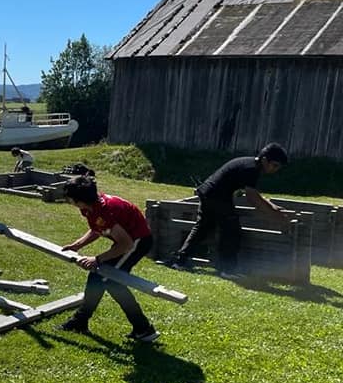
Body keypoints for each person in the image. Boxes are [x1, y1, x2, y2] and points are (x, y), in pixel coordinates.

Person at [58, 174, 160, 342]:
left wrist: (97, 259)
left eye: (70, 198)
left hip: (137, 242)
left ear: (79, 199)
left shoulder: (107, 210)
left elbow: (126, 244)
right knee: (98, 276)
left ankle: (144, 329)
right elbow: (97, 229)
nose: (69, 201)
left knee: (112, 280)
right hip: (127, 240)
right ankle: (80, 321)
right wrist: (77, 245)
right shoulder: (90, 207)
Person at [167, 142, 290, 276]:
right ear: (265, 160)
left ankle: (179, 261)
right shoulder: (252, 169)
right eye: (274, 165)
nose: (275, 169)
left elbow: (253, 194)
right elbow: (252, 198)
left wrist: (273, 208)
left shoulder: (249, 164)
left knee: (203, 228)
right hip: (218, 196)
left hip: (208, 192)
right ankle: (227, 269)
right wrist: (273, 213)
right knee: (232, 231)